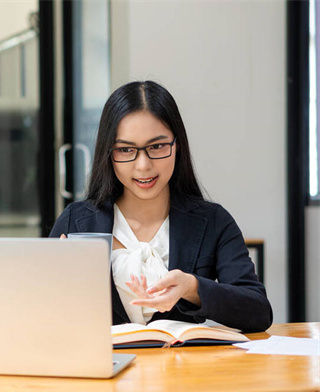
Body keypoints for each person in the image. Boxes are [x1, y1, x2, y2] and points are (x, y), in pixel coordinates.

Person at [49, 81, 272, 332]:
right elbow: (39, 314)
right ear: (108, 153)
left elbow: (258, 312)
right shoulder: (76, 221)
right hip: (106, 368)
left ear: (177, 145)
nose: (143, 165)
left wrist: (192, 288)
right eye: (125, 149)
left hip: (186, 370)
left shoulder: (213, 221)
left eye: (156, 146)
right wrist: (59, 284)